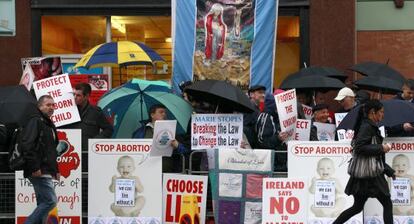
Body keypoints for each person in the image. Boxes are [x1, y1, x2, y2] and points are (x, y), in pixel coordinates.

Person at [333, 99, 395, 224]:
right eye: (381, 112)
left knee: (357, 207)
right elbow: (360, 148)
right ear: (373, 112)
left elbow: (369, 152)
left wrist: (388, 170)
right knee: (387, 203)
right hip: (372, 175)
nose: (383, 115)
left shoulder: (368, 125)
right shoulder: (367, 126)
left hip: (364, 175)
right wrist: (382, 147)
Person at [23, 95, 59, 224]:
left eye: (53, 105)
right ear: (40, 106)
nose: (51, 107)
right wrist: (35, 167)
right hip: (39, 169)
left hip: (46, 169)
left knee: (43, 202)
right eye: (48, 105)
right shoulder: (36, 121)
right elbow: (28, 145)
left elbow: (51, 150)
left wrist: (56, 170)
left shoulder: (48, 123)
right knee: (51, 201)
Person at [132, 104, 188, 172]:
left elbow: (185, 152)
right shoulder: (139, 132)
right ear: (152, 115)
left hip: (166, 170)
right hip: (146, 171)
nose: (164, 114)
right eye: (161, 112)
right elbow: (134, 151)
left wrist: (177, 145)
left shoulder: (172, 131)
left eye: (165, 112)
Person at [62, 83, 113, 150]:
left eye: (78, 95)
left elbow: (109, 130)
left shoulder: (96, 112)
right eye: (74, 94)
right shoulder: (67, 111)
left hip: (89, 151)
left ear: (87, 96)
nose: (75, 97)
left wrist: (95, 141)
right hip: (71, 151)